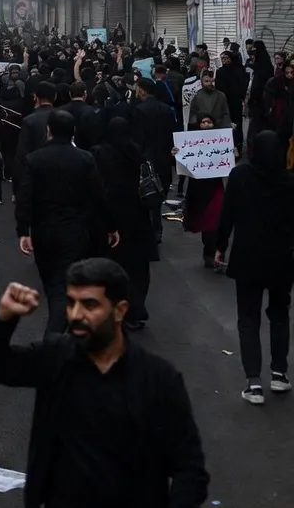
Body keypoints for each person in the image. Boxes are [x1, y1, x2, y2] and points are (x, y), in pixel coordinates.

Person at [0, 259, 209, 508]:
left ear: (120, 310)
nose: (75, 315)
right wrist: (3, 318)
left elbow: (189, 468)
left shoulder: (158, 380)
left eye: (89, 305)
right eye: (70, 303)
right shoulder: (56, 357)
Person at [16, 109, 118, 334]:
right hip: (75, 230)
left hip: (43, 231)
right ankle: (59, 334)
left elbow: (25, 197)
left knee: (52, 284)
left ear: (48, 131)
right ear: (73, 132)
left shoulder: (34, 159)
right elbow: (99, 195)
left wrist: (23, 230)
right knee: (66, 284)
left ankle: (57, 332)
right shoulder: (85, 158)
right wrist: (110, 226)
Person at [216, 131, 294, 406]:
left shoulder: (240, 176)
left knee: (248, 318)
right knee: (280, 314)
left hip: (247, 257)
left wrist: (220, 245)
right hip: (282, 259)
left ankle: (253, 382)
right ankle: (279, 372)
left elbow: (227, 214)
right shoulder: (289, 181)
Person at [92, 117, 157, 329]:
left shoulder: (100, 153)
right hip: (137, 216)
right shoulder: (135, 151)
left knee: (113, 265)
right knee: (138, 268)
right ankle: (135, 309)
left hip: (111, 216)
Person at [178, 115, 226, 270]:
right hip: (199, 190)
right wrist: (176, 153)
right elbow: (182, 162)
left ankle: (216, 254)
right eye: (203, 122)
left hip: (216, 188)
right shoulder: (192, 144)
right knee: (207, 224)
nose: (206, 124)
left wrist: (233, 153)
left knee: (215, 221)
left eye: (209, 122)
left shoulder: (221, 142)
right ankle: (210, 253)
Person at [131, 78, 175, 244]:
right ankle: (157, 229)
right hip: (164, 155)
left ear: (142, 90)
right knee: (160, 191)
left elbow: (138, 137)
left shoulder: (139, 110)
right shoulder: (166, 109)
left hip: (147, 157)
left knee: (147, 192)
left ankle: (151, 230)